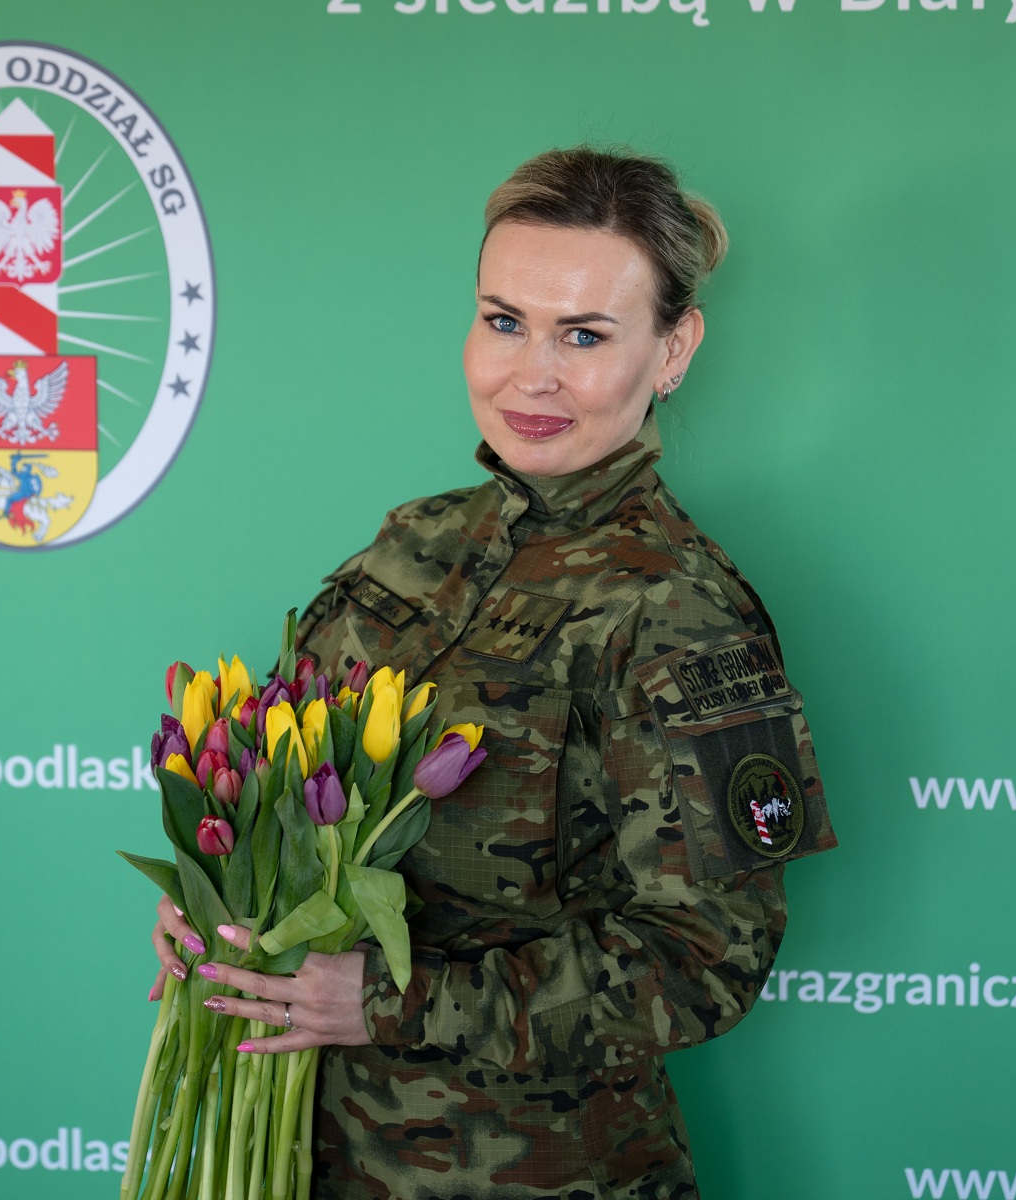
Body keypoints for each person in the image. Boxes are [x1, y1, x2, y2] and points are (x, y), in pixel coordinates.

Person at [150, 145, 837, 1199]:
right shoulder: (412, 543)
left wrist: (385, 999)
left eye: (584, 335)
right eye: (504, 321)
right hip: (312, 1162)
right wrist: (225, 908)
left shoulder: (684, 613)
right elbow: (279, 789)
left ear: (674, 348)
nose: (532, 374)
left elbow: (704, 959)